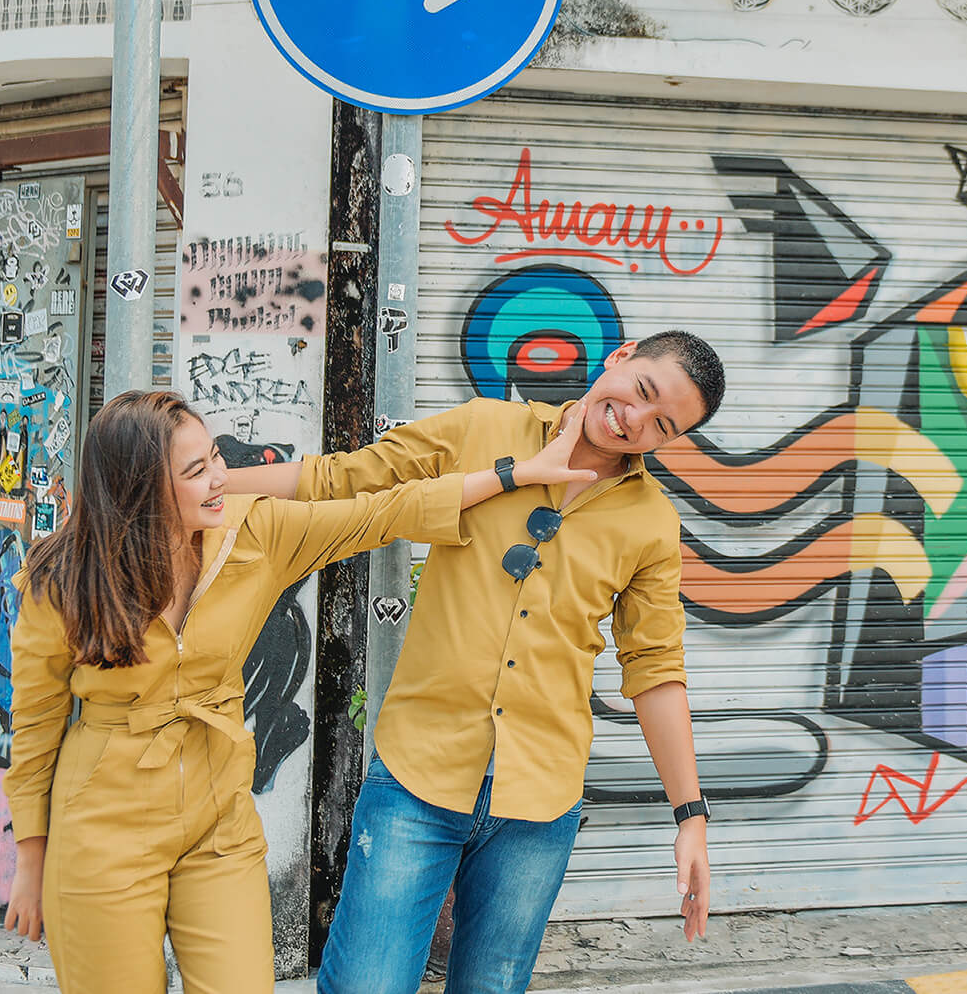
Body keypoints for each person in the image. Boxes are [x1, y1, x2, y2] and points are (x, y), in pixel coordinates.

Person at [1, 389, 595, 993]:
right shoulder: (62, 580)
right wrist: (30, 861)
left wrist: (514, 473)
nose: (221, 478)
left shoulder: (255, 533)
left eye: (215, 458)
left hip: (218, 819)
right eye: (196, 470)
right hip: (102, 821)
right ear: (139, 489)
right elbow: (36, 728)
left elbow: (384, 512)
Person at [221, 330, 727, 994]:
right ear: (621, 357)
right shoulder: (486, 427)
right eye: (642, 392)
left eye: (662, 425)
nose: (635, 420)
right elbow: (340, 478)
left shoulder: (652, 523)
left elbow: (656, 669)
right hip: (419, 777)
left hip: (538, 804)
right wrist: (205, 486)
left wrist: (690, 816)